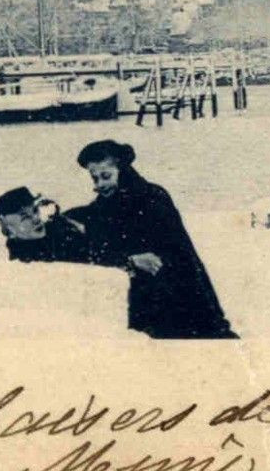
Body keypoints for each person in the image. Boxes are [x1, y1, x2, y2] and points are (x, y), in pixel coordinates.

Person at [69, 139, 237, 340]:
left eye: (106, 176)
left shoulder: (152, 198)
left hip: (177, 296)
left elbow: (174, 254)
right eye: (94, 179)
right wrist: (61, 216)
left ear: (122, 170)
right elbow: (92, 215)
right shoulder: (110, 202)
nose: (100, 185)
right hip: (149, 298)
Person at [0, 186, 90, 264]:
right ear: (10, 230)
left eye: (35, 210)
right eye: (25, 217)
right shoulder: (27, 261)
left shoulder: (55, 229)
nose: (36, 219)